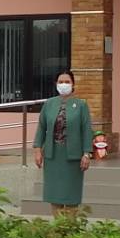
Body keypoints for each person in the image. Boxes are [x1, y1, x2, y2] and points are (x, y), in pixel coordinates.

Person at [33, 70, 93, 213]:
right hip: (53, 156)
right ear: (56, 84)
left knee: (71, 196)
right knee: (54, 195)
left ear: (73, 84)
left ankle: (70, 225)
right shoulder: (49, 104)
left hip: (73, 157)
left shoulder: (81, 105)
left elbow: (86, 130)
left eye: (67, 82)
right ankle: (58, 224)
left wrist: (87, 153)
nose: (64, 84)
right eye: (61, 82)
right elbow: (41, 127)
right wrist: (37, 150)